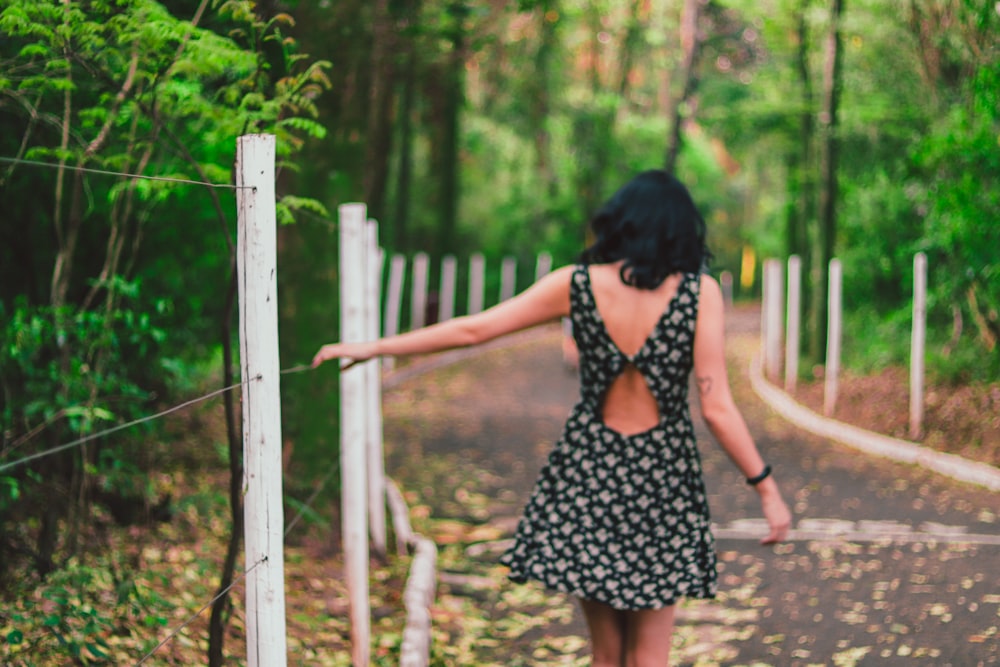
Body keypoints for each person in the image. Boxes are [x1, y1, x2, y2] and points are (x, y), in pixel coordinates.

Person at [312, 169, 792, 666]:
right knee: (650, 657)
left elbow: (474, 330)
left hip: (588, 470)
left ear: (621, 223)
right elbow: (716, 407)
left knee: (605, 656)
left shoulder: (577, 284)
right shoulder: (700, 294)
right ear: (679, 228)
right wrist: (765, 487)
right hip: (662, 480)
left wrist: (373, 347)